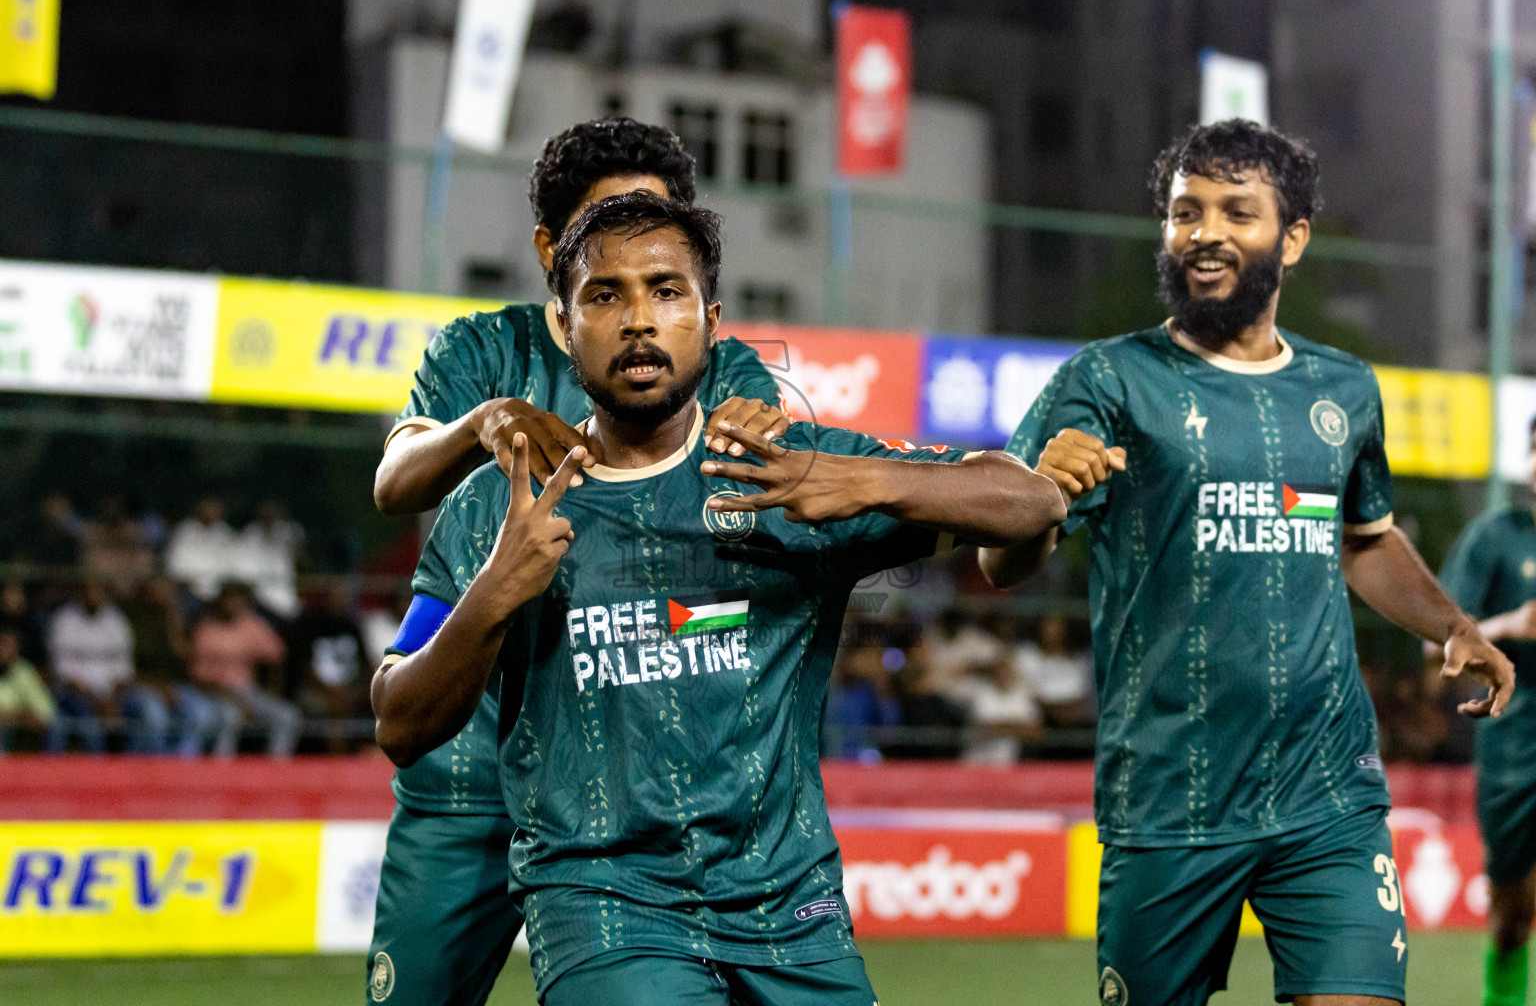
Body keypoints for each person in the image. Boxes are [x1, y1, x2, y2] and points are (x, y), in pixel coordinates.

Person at [370, 191, 1066, 1005]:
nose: (638, 320)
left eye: (666, 292)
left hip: (792, 912)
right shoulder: (496, 503)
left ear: (710, 318)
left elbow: (1031, 503)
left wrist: (859, 479)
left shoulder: (788, 465)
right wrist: (491, 595)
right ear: (565, 326)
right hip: (603, 910)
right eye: (606, 295)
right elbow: (399, 720)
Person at [979, 119, 1516, 1006]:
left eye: (1238, 211)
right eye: (1185, 212)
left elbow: (1364, 539)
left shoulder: (1344, 390)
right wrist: (1046, 493)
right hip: (1170, 800)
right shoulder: (1106, 382)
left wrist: (1454, 626)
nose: (1206, 233)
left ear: (1291, 238)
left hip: (1327, 794)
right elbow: (1004, 563)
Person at [365, 118, 790, 1006]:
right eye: (609, 228)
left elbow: (778, 483)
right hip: (470, 761)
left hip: (640, 790)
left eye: (661, 230)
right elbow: (395, 479)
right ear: (552, 249)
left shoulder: (729, 366)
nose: (640, 278)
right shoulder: (483, 348)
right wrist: (481, 422)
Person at [1434, 415, 1536, 1006]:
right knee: (1512, 918)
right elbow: (1432, 643)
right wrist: (1509, 626)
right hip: (1513, 746)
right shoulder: (1496, 537)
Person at [45, 576, 170, 754]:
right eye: (89, 590)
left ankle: (137, 771)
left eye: (98, 591)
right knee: (90, 724)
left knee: (151, 711)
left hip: (115, 693)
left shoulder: (116, 621)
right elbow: (63, 672)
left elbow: (124, 669)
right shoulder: (65, 620)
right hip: (76, 695)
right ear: (80, 593)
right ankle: (95, 773)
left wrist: (112, 700)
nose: (93, 595)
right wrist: (97, 702)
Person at [126, 575, 240, 757]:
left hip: (175, 686)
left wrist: (172, 619)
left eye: (167, 590)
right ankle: (155, 769)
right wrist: (158, 688)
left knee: (203, 714)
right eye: (158, 589)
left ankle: (185, 766)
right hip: (141, 685)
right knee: (156, 718)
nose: (163, 594)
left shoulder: (175, 621)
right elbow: (126, 670)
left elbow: (184, 656)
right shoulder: (133, 622)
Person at [188, 582, 299, 757]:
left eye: (238, 601)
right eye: (229, 600)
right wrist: (236, 700)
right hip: (213, 692)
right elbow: (198, 679)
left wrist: (273, 690)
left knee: (287, 716)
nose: (233, 605)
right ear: (220, 601)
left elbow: (277, 658)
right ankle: (221, 774)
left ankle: (275, 773)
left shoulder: (251, 624)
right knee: (230, 717)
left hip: (248, 691)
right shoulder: (206, 628)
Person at [289, 579, 369, 752]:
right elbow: (304, 666)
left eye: (344, 596)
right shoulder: (308, 625)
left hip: (350, 689)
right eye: (335, 596)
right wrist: (331, 691)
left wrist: (351, 691)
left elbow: (364, 664)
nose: (340, 600)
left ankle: (370, 756)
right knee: (335, 710)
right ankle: (337, 761)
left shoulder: (352, 626)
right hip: (316, 689)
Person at [237, 500, 304, 620]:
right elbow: (245, 570)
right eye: (266, 513)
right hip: (258, 594)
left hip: (283, 591)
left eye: (273, 513)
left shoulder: (289, 532)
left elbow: (301, 560)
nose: (269, 516)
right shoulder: (250, 534)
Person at [165, 496, 238, 605]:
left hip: (220, 592)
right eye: (207, 505)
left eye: (214, 506)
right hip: (189, 590)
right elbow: (175, 564)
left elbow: (232, 567)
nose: (210, 510)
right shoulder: (185, 531)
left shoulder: (225, 534)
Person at [0, 626, 55, 751]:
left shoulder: (24, 672)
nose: (2, 650)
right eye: (1, 644)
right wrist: (18, 716)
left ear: (16, 649)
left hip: (16, 735)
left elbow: (46, 712)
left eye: (7, 645)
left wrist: (21, 718)